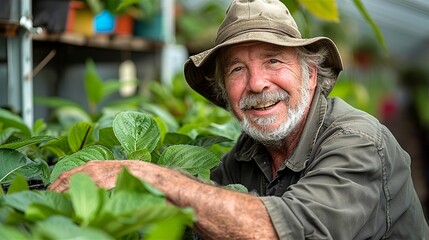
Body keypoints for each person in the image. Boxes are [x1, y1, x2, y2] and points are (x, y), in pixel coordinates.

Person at [49, 0, 429, 239]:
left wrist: (144, 174)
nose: (256, 83)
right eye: (236, 70)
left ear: (311, 76)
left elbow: (275, 231)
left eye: (274, 61)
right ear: (223, 93)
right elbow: (201, 212)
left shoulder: (358, 141)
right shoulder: (249, 153)